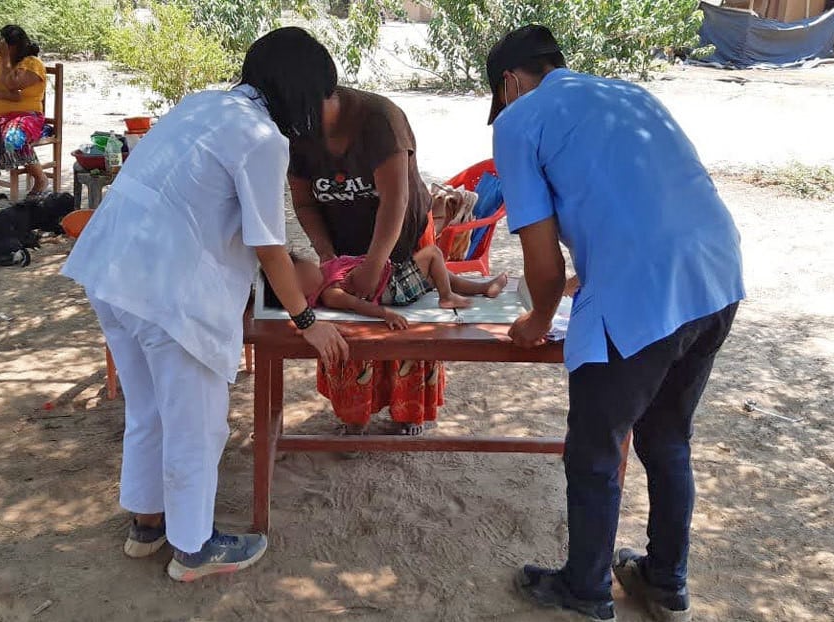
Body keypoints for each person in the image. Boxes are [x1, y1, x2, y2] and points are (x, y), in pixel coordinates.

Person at [60, 27, 348, 583]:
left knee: (148, 410)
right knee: (197, 424)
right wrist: (306, 319)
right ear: (301, 90)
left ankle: (147, 525)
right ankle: (193, 547)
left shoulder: (204, 104)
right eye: (321, 96)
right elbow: (269, 245)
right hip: (168, 291)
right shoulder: (263, 138)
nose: (321, 109)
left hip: (112, 270)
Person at [486, 26, 745, 622]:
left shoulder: (518, 121)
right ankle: (665, 582)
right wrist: (585, 277)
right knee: (667, 437)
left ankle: (585, 589)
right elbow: (643, 204)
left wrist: (537, 319)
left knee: (595, 451)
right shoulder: (632, 95)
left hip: (642, 295)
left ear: (510, 83)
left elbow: (543, 264)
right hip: (716, 276)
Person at [288, 82, 444, 436]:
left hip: (401, 238)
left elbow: (395, 200)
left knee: (407, 327)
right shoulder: (297, 134)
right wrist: (328, 256)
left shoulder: (381, 120)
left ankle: (409, 413)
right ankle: (354, 414)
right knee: (352, 328)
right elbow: (305, 203)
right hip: (343, 248)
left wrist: (374, 264)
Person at [288, 246, 508, 320]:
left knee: (440, 275)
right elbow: (358, 305)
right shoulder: (329, 293)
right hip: (394, 290)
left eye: (304, 270)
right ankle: (446, 297)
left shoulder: (326, 268)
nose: (309, 276)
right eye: (303, 282)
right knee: (433, 253)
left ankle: (483, 288)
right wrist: (387, 315)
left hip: (393, 278)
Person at [0, 24, 48, 195]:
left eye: (3, 43)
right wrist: (9, 96)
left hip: (25, 116)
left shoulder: (32, 64)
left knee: (13, 139)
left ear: (12, 46)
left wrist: (6, 59)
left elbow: (12, 83)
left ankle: (41, 178)